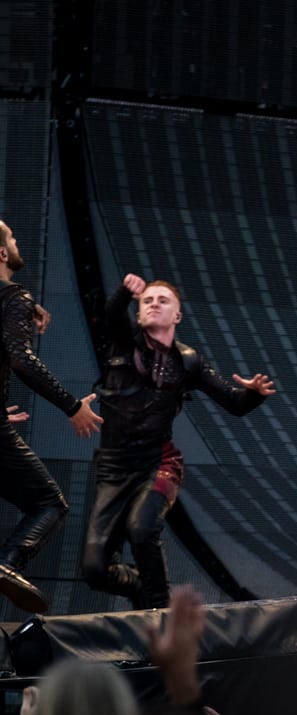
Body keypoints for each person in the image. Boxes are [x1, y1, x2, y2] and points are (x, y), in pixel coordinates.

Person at [82, 274, 276, 610]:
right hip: (113, 469)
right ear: (139, 314)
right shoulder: (123, 342)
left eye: (163, 300)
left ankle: (159, 609)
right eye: (148, 301)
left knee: (141, 529)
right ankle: (143, 587)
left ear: (177, 316)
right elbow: (110, 315)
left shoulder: (189, 361)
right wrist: (126, 292)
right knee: (95, 570)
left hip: (159, 463)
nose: (155, 303)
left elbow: (234, 403)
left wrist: (253, 394)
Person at [0, 219, 103, 614]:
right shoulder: (15, 298)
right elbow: (21, 360)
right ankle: (7, 564)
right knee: (49, 502)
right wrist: (73, 406)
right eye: (11, 236)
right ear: (2, 253)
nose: (17, 238)